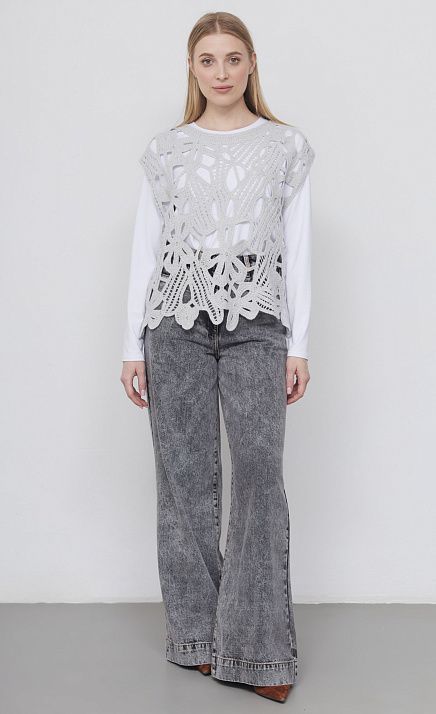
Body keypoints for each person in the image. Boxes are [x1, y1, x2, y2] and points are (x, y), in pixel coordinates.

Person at [120, 11, 315, 704]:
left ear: (252, 63)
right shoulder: (168, 150)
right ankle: (198, 637)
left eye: (233, 58)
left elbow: (298, 247)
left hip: (257, 319)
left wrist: (297, 343)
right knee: (184, 480)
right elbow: (147, 247)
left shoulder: (285, 146)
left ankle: (258, 651)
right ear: (193, 69)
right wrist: (130, 346)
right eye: (208, 60)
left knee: (259, 473)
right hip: (173, 322)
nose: (222, 72)